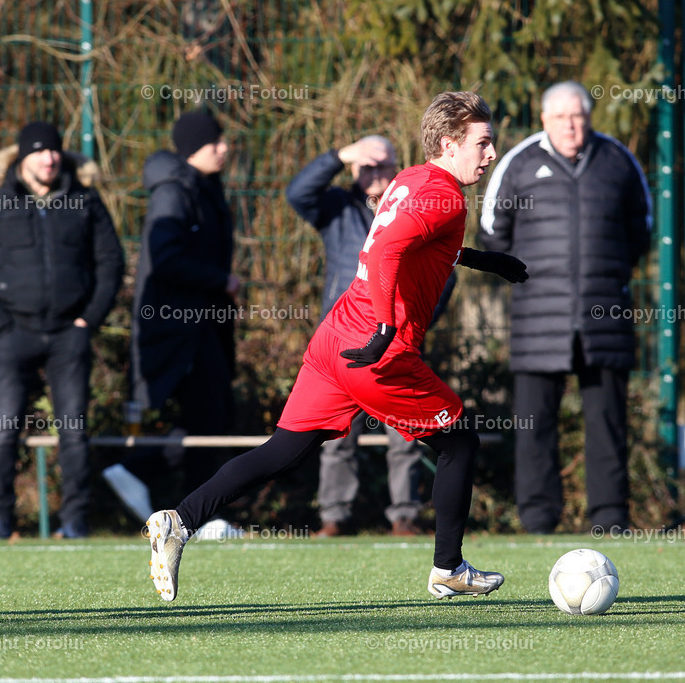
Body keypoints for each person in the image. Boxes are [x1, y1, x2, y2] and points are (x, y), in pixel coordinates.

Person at [146, 92, 529, 602]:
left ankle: (180, 520)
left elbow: (413, 242)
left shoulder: (415, 179)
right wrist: (387, 329)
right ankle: (449, 568)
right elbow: (391, 251)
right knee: (459, 443)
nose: (491, 153)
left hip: (334, 339)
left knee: (282, 451)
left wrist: (484, 261)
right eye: (482, 143)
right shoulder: (445, 195)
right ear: (448, 143)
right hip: (375, 352)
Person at [479, 81, 651, 534]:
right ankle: (537, 520)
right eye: (561, 117)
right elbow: (491, 232)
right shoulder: (518, 164)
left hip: (606, 317)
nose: (571, 125)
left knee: (608, 423)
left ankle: (611, 519)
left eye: (579, 116)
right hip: (538, 319)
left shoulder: (618, 161)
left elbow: (642, 230)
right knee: (535, 426)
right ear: (544, 120)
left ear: (590, 117)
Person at [0, 121, 124, 540]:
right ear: (22, 157)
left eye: (53, 151)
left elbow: (110, 262)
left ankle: (75, 522)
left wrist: (89, 319)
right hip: (12, 332)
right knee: (3, 430)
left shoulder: (85, 199)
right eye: (38, 152)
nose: (48, 158)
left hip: (70, 333)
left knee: (73, 429)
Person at [104, 110, 240, 528]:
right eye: (214, 141)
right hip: (181, 327)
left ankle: (194, 511)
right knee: (208, 417)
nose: (224, 147)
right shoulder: (174, 192)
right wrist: (222, 280)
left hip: (202, 323)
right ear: (193, 147)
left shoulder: (203, 188)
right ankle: (152, 480)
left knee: (210, 416)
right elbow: (164, 259)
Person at [286, 136, 426, 537]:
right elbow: (297, 192)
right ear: (353, 169)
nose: (376, 174)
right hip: (345, 336)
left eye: (385, 166)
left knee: (404, 429)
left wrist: (417, 318)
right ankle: (334, 516)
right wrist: (338, 155)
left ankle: (405, 516)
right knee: (335, 431)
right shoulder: (337, 207)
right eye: (368, 165)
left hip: (397, 337)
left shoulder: (412, 208)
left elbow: (442, 268)